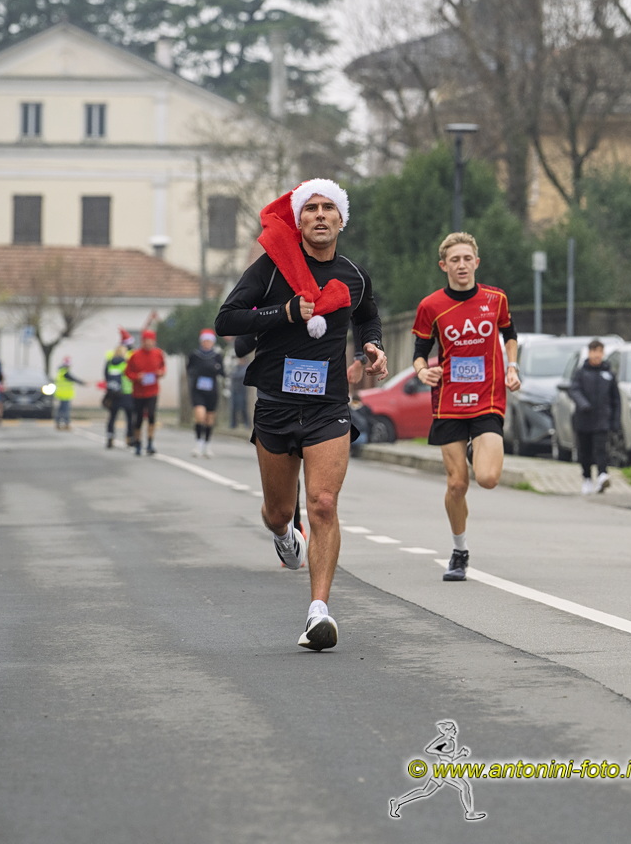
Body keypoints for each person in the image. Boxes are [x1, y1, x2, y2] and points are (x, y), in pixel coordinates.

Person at [214, 178, 386, 651]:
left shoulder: (354, 275)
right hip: (275, 402)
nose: (320, 215)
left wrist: (372, 346)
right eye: (310, 208)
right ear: (299, 220)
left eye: (329, 207)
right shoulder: (271, 269)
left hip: (328, 406)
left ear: (341, 220)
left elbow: (367, 315)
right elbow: (226, 319)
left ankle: (318, 612)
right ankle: (284, 533)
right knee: (277, 512)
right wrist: (285, 312)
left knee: (323, 503)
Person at [411, 232, 521, 582]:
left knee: (487, 479)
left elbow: (509, 334)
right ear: (443, 265)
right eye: (454, 260)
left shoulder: (495, 299)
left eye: (467, 259)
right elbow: (419, 353)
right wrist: (423, 372)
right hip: (449, 402)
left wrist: (513, 367)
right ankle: (459, 551)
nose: (461, 265)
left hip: (488, 398)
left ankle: (477, 449)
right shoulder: (431, 306)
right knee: (457, 485)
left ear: (477, 262)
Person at [568, 339, 621, 494]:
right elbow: (574, 390)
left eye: (600, 352)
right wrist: (583, 404)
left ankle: (602, 475)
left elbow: (616, 400)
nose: (597, 355)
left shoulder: (609, 374)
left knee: (601, 449)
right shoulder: (581, 373)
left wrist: (615, 420)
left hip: (602, 419)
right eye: (594, 352)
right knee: (585, 451)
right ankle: (587, 478)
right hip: (584, 420)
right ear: (589, 353)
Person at [125, 328, 167, 456]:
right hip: (138, 392)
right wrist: (137, 377)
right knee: (138, 418)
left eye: (151, 341)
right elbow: (127, 372)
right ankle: (138, 443)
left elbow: (163, 367)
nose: (149, 343)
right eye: (147, 341)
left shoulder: (158, 354)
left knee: (151, 416)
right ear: (143, 341)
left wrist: (161, 373)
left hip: (153, 391)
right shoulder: (135, 355)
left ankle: (150, 442)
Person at [188, 329, 226, 458]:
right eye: (205, 340)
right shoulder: (195, 355)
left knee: (209, 419)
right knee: (200, 416)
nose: (207, 343)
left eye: (209, 341)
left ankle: (207, 445)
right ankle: (198, 444)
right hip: (198, 390)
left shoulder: (217, 356)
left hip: (212, 391)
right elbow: (189, 369)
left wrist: (216, 369)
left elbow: (223, 372)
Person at [102, 335, 135, 449]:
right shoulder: (126, 363)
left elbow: (106, 376)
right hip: (127, 393)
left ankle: (110, 437)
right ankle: (129, 438)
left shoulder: (110, 363)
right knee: (129, 417)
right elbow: (130, 376)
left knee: (112, 417)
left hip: (113, 394)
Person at [53, 356, 83, 431]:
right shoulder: (65, 372)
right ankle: (66, 424)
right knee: (65, 410)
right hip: (65, 394)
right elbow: (73, 378)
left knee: (61, 409)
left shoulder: (61, 372)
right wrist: (82, 383)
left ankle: (58, 423)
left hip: (61, 394)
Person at [229, 351, 252, 429]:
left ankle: (246, 423)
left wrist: (235, 375)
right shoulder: (236, 367)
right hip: (235, 389)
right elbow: (231, 374)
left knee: (243, 407)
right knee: (233, 407)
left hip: (243, 390)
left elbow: (240, 374)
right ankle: (233, 424)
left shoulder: (246, 367)